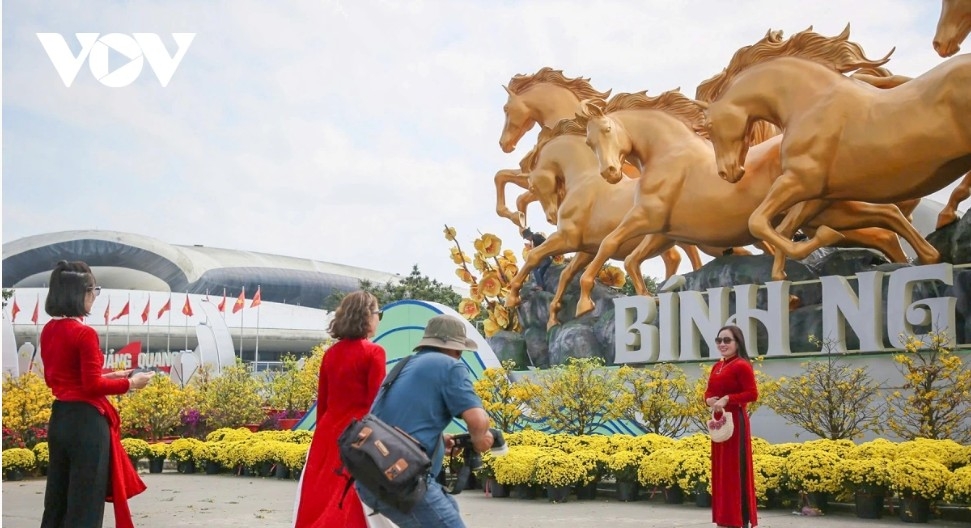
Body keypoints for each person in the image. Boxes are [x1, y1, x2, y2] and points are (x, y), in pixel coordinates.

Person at [40, 260, 155, 528]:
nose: (94, 296)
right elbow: (91, 387)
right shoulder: (83, 333)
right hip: (86, 424)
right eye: (92, 290)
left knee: (57, 499)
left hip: (61, 419)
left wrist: (108, 376)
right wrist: (131, 384)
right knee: (86, 502)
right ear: (78, 294)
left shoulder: (49, 330)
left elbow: (62, 380)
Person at [356, 314, 495, 527]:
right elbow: (477, 421)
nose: (459, 357)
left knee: (449, 508)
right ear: (455, 349)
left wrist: (439, 441)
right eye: (460, 352)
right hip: (404, 479)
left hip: (370, 477)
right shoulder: (450, 365)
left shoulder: (406, 365)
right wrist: (480, 440)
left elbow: (396, 422)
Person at [293, 290, 387, 528]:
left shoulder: (331, 354)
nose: (379, 319)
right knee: (350, 496)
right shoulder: (374, 352)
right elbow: (377, 403)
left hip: (328, 432)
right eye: (378, 313)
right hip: (359, 431)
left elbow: (323, 403)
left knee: (321, 492)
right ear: (366, 316)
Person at [704, 325, 759, 528]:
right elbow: (708, 392)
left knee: (735, 470)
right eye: (719, 340)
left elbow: (752, 394)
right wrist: (709, 400)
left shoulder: (742, 365)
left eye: (727, 340)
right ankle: (724, 517)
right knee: (721, 471)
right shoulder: (717, 366)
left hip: (735, 423)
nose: (722, 344)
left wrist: (728, 399)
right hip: (720, 424)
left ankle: (738, 518)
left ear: (738, 342)